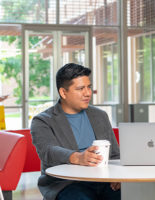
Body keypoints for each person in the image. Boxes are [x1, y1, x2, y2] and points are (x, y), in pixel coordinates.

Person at [31, 63, 120, 200]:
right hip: (67, 184)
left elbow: (114, 154)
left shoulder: (100, 115)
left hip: (104, 180)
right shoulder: (43, 120)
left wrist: (118, 176)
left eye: (89, 87)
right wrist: (78, 157)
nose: (88, 93)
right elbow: (47, 151)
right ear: (63, 92)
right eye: (80, 88)